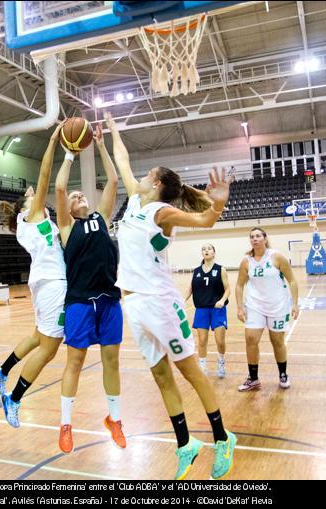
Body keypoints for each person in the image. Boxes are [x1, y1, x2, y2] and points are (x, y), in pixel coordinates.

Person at [107, 112, 236, 480]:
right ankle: (186, 444)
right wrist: (114, 129)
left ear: (158, 182)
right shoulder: (134, 201)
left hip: (160, 303)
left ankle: (223, 438)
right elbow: (123, 160)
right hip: (132, 302)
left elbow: (205, 222)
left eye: (149, 174)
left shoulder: (161, 211)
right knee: (162, 377)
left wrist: (218, 204)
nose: (142, 175)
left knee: (191, 373)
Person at [0, 123, 69, 428]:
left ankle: (2, 370)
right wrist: (52, 142)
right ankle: (15, 398)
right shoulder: (33, 215)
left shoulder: (30, 220)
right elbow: (45, 175)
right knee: (49, 349)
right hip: (52, 284)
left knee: (39, 336)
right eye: (31, 196)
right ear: (26, 207)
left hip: (43, 282)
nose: (34, 193)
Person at [54, 119, 124, 454]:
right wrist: (68, 154)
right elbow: (59, 190)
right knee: (75, 363)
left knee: (112, 361)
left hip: (109, 299)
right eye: (76, 196)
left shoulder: (100, 217)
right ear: (68, 209)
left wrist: (99, 145)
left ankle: (115, 420)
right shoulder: (67, 228)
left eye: (83, 194)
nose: (79, 196)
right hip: (80, 302)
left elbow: (112, 179)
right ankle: (66, 425)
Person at [235, 227, 299, 392]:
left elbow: (291, 280)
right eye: (252, 237)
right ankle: (253, 378)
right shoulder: (246, 261)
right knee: (250, 339)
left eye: (258, 236)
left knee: (277, 341)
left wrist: (295, 303)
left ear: (264, 238)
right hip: (255, 306)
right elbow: (239, 285)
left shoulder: (276, 257)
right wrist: (240, 307)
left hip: (277, 306)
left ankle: (283, 374)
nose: (255, 239)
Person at [185, 244, 230, 377]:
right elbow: (190, 288)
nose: (206, 251)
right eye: (204, 249)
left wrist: (222, 300)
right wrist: (182, 300)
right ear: (202, 253)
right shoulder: (196, 271)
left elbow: (228, 289)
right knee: (202, 340)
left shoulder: (221, 269)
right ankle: (203, 367)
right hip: (202, 310)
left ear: (214, 253)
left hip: (218, 310)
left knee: (220, 341)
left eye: (209, 249)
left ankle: (221, 362)